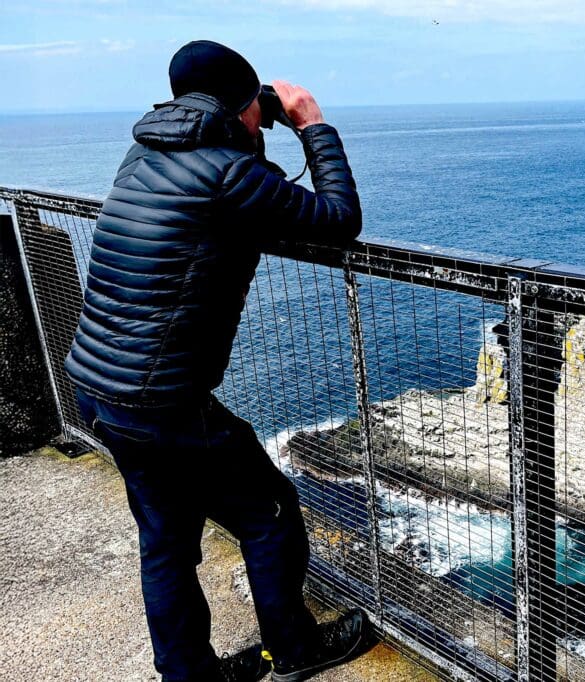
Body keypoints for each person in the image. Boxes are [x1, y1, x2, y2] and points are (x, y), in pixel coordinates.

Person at [64, 40, 367, 682]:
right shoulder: (231, 173)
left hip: (98, 385)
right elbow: (340, 220)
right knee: (270, 513)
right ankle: (295, 651)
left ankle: (188, 675)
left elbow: (229, 196)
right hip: (160, 401)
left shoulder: (142, 153)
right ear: (239, 107)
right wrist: (311, 122)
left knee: (167, 541)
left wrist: (249, 128)